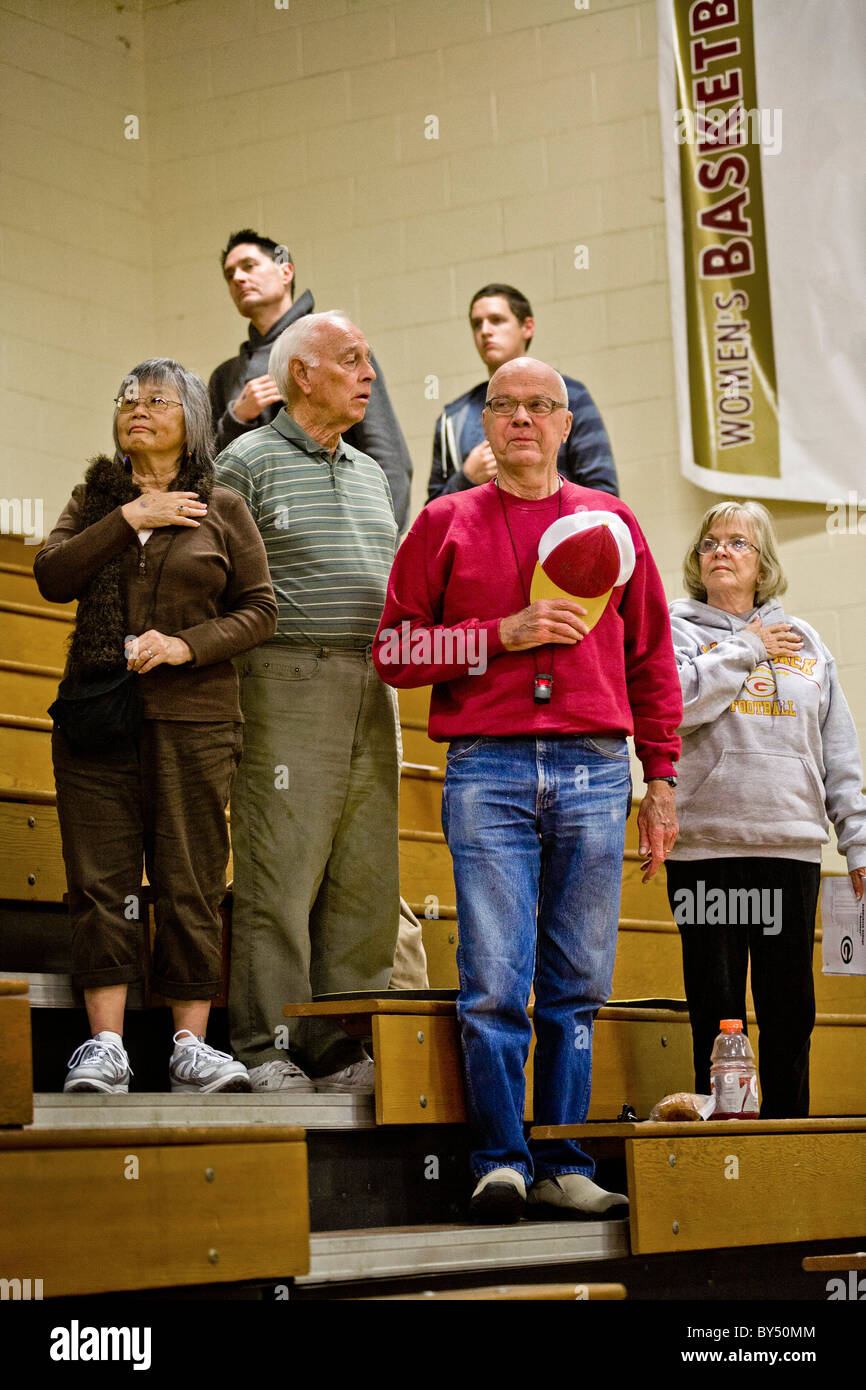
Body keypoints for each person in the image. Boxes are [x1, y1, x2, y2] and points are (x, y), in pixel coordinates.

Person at [374, 357, 681, 1221]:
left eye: (539, 406)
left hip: (594, 768)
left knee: (579, 981)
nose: (520, 419)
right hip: (487, 766)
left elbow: (652, 658)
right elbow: (395, 654)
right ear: (483, 424)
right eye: (502, 405)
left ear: (565, 423)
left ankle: (563, 1157)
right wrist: (497, 634)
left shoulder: (611, 521)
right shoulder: (444, 522)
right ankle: (501, 1158)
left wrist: (660, 779)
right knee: (496, 979)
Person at [34, 360, 278, 1094]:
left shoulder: (223, 506)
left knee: (190, 884)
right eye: (128, 399)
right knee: (100, 884)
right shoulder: (97, 497)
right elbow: (52, 575)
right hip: (96, 722)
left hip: (195, 723)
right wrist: (129, 520)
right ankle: (105, 1046)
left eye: (157, 399)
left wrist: (183, 645)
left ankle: (190, 1047)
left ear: (194, 419)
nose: (137, 409)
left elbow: (262, 609)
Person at [215, 312, 401, 1094]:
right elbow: (206, 575)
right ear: (302, 375)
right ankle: (265, 1044)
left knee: (366, 875)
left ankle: (339, 1042)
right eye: (352, 360)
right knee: (280, 871)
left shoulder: (367, 471)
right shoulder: (245, 462)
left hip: (373, 683)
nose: (368, 374)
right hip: (284, 676)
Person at [666, 500, 866, 1118]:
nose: (720, 552)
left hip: (789, 849)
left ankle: (785, 1142)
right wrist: (746, 649)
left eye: (738, 543)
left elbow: (839, 752)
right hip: (706, 850)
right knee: (715, 1008)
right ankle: (722, 1143)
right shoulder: (674, 628)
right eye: (710, 543)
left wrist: (857, 845)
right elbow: (672, 705)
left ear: (764, 563)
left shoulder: (807, 641)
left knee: (789, 1010)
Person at [209, 229, 413, 531]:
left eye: (249, 266)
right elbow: (212, 475)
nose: (237, 278)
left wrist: (378, 546)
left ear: (285, 271)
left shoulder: (344, 348)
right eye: (229, 274)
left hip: (339, 539)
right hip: (256, 554)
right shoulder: (226, 376)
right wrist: (236, 419)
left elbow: (389, 460)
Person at [426, 283, 618, 504]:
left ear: (527, 327)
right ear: (484, 419)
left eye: (497, 320)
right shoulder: (453, 419)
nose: (485, 331)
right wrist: (467, 478)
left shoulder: (572, 397)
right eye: (477, 324)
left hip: (557, 534)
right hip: (485, 536)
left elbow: (603, 495)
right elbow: (433, 517)